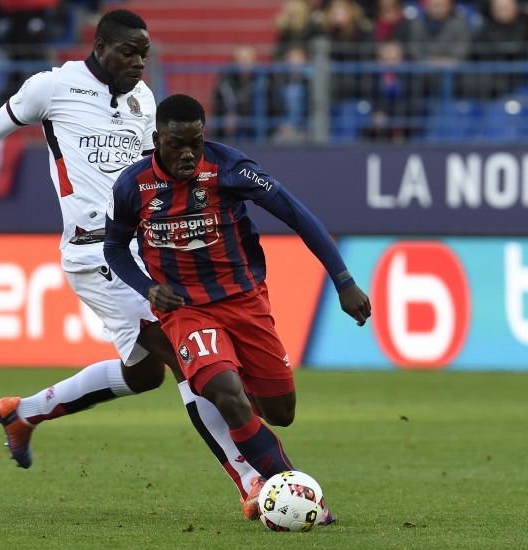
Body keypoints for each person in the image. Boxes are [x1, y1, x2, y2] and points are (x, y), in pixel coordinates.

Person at [0, 9, 268, 522]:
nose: (139, 63)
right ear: (101, 46)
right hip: (93, 252)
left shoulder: (144, 100)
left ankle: (24, 412)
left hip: (146, 251)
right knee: (184, 354)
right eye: (129, 52)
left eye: (145, 54)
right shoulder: (53, 87)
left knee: (146, 373)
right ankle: (251, 479)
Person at [104, 94, 373, 523]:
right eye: (176, 144)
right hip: (185, 310)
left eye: (196, 142)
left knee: (281, 412)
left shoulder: (231, 169)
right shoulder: (131, 186)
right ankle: (294, 491)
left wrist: (343, 281)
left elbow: (298, 215)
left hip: (244, 300)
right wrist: (149, 288)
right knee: (227, 396)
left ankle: (237, 385)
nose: (188, 153)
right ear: (156, 139)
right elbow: (114, 248)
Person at [405, 0, 470, 63]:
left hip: (454, 70)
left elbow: (463, 49)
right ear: (426, 7)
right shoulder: (418, 25)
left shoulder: (458, 25)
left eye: (440, 6)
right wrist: (430, 61)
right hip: (425, 70)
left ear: (448, 7)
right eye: (434, 5)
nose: (437, 10)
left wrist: (450, 60)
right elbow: (414, 50)